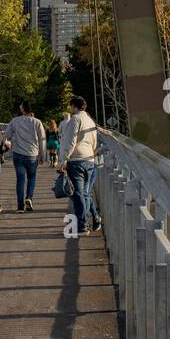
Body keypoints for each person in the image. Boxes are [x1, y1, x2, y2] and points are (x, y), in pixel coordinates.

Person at [56, 96, 100, 235]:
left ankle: (82, 226)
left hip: (77, 160)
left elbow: (70, 141)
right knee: (85, 194)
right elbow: (94, 141)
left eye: (71, 106)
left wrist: (63, 160)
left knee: (77, 195)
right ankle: (95, 218)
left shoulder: (75, 119)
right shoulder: (90, 120)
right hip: (90, 160)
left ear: (74, 106)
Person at [4, 99, 47, 212]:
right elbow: (42, 140)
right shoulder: (37, 122)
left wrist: (9, 143)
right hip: (32, 155)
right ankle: (29, 197)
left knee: (20, 180)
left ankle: (20, 206)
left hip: (18, 154)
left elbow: (6, 136)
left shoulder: (14, 121)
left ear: (22, 109)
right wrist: (43, 155)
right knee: (32, 177)